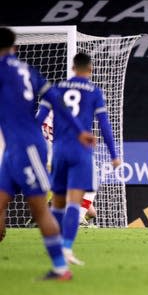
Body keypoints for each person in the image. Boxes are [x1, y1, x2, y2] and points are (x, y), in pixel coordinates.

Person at [0, 27, 95, 280]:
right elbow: (57, 100)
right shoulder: (27, 71)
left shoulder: (4, 70)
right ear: (15, 48)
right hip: (13, 148)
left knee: (40, 209)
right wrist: (80, 130)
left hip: (28, 146)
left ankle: (61, 268)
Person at [36, 53, 121, 265]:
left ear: (73, 68)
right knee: (75, 203)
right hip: (81, 152)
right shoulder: (94, 91)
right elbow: (104, 126)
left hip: (59, 152)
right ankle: (66, 249)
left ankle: (53, 251)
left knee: (57, 204)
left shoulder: (54, 90)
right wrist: (114, 154)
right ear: (90, 70)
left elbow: (37, 121)